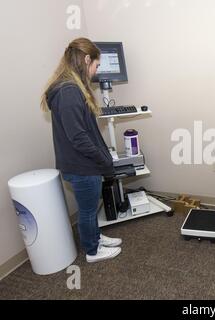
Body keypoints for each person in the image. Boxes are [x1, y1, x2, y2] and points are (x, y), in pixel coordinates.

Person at [41, 38, 122, 263]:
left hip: (82, 164)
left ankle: (95, 237)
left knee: (89, 207)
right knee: (87, 211)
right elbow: (78, 138)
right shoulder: (68, 92)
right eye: (96, 66)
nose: (96, 72)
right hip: (82, 166)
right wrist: (102, 160)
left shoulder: (72, 88)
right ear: (87, 59)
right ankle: (92, 251)